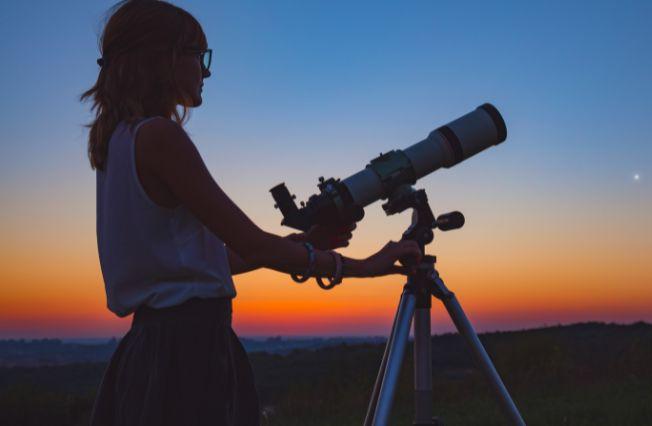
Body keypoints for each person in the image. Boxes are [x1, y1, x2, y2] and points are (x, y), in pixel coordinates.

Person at [82, 1, 422, 425]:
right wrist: (365, 267)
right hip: (191, 352)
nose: (206, 71)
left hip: (152, 349)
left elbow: (203, 263)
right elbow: (249, 243)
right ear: (165, 58)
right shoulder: (160, 137)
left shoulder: (117, 143)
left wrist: (300, 245)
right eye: (199, 56)